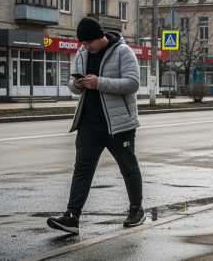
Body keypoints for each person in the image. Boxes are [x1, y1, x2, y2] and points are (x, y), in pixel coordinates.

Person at [46, 17, 144, 235]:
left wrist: (99, 82)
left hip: (118, 124)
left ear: (101, 36)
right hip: (88, 123)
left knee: (128, 167)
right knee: (82, 169)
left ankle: (136, 209)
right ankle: (72, 217)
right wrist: (77, 84)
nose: (86, 47)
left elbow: (133, 84)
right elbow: (74, 87)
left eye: (89, 42)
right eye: (83, 43)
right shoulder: (81, 53)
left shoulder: (123, 52)